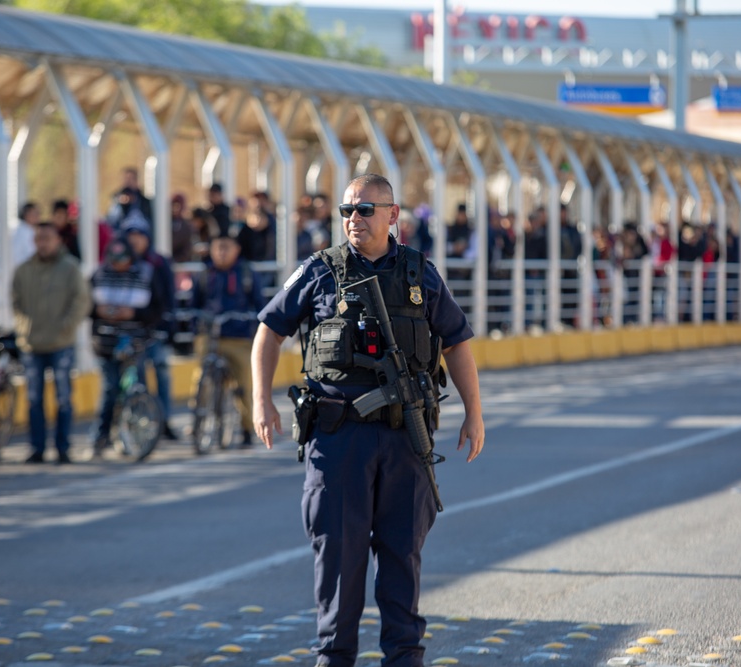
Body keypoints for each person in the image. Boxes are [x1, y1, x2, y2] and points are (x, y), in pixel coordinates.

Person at [251, 174, 485, 667]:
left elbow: (457, 340)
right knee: (338, 559)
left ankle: (404, 658)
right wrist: (261, 400)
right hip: (339, 440)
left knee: (402, 558)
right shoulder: (319, 271)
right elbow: (268, 330)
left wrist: (474, 413)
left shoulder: (422, 275)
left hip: (406, 439)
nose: (353, 219)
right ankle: (333, 658)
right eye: (347, 211)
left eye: (364, 210)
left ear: (393, 214)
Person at [12, 222, 90, 464]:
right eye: (39, 239)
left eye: (48, 238)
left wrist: (66, 326)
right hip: (32, 343)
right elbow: (16, 302)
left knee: (63, 398)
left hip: (61, 343)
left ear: (58, 240)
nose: (43, 244)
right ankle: (37, 448)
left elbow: (81, 301)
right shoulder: (24, 270)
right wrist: (25, 328)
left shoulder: (70, 268)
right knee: (34, 399)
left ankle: (63, 447)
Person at [90, 237, 166, 455]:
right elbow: (87, 306)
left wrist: (134, 314)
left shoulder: (147, 273)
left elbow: (158, 308)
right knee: (110, 389)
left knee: (136, 386)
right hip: (106, 341)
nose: (118, 265)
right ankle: (100, 437)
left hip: (136, 340)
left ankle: (137, 434)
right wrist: (100, 311)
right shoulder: (99, 274)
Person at [191, 233, 266, 447]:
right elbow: (194, 304)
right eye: (217, 248)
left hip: (239, 337)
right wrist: (195, 325)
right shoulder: (205, 274)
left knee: (243, 383)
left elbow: (260, 304)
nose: (221, 253)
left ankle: (246, 428)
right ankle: (199, 416)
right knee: (201, 379)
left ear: (237, 250)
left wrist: (255, 324)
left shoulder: (246, 274)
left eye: (226, 248)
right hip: (210, 335)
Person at [121, 211, 179, 440]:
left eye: (139, 235)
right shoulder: (120, 260)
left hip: (157, 329)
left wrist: (169, 325)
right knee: (137, 378)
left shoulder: (158, 262)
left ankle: (164, 420)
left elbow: (169, 296)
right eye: (130, 235)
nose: (135, 240)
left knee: (162, 373)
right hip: (131, 330)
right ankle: (144, 422)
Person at [11, 201, 40, 268]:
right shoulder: (23, 232)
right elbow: (31, 254)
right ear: (26, 215)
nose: (37, 216)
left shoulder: (29, 230)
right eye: (34, 214)